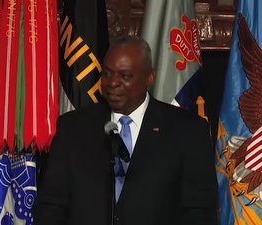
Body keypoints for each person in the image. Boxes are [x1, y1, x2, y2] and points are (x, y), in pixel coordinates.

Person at [33, 35, 218, 225]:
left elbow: (200, 213)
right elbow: (50, 207)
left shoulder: (188, 131)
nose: (112, 83)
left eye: (125, 76)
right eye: (106, 73)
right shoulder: (72, 128)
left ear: (149, 77)